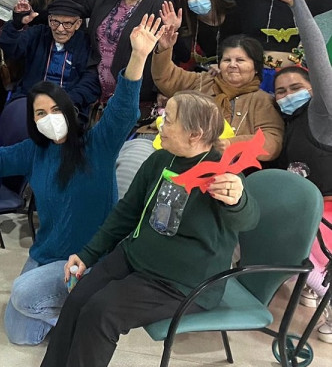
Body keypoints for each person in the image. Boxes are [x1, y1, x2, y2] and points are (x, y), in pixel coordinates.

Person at [0, 14, 161, 346]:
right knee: (20, 334)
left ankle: (84, 302)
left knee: (22, 294)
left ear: (69, 110)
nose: (48, 118)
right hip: (47, 253)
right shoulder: (34, 150)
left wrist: (139, 56)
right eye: (40, 114)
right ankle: (77, 310)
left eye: (55, 110)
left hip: (89, 257)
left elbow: (123, 111)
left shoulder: (96, 145)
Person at [40, 91, 259, 367]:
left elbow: (248, 220)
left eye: (169, 120)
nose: (159, 124)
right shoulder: (160, 160)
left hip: (180, 281)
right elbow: (126, 212)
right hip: (136, 257)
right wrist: (87, 254)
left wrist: (237, 199)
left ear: (195, 134)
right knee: (77, 300)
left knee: (100, 312)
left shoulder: (222, 174)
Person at [266, 0, 332, 337]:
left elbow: (319, 59)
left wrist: (300, 8)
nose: (288, 94)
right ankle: (312, 280)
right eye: (280, 90)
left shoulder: (324, 114)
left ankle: (325, 292)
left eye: (296, 87)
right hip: (306, 208)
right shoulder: (287, 123)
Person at [61, 0, 165, 119]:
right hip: (96, 80)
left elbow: (165, 53)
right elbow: (84, 8)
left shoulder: (158, 5)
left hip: (132, 86)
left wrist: (159, 90)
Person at [152, 30, 284, 161]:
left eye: (240, 60)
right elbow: (166, 78)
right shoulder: (203, 81)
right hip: (165, 146)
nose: (232, 65)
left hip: (221, 165)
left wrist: (231, 144)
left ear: (256, 68)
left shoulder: (263, 100)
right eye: (227, 60)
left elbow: (272, 142)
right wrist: (164, 49)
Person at [0, 0, 100, 145]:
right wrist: (16, 24)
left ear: (78, 24)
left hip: (68, 101)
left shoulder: (85, 44)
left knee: (60, 130)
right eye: (55, 22)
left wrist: (66, 101)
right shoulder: (38, 34)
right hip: (30, 97)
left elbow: (90, 81)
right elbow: (12, 48)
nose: (60, 29)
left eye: (67, 24)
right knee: (17, 124)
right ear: (49, 20)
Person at [158, 0, 239, 71]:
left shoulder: (234, 13)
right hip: (202, 76)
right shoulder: (186, 21)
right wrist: (174, 30)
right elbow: (184, 57)